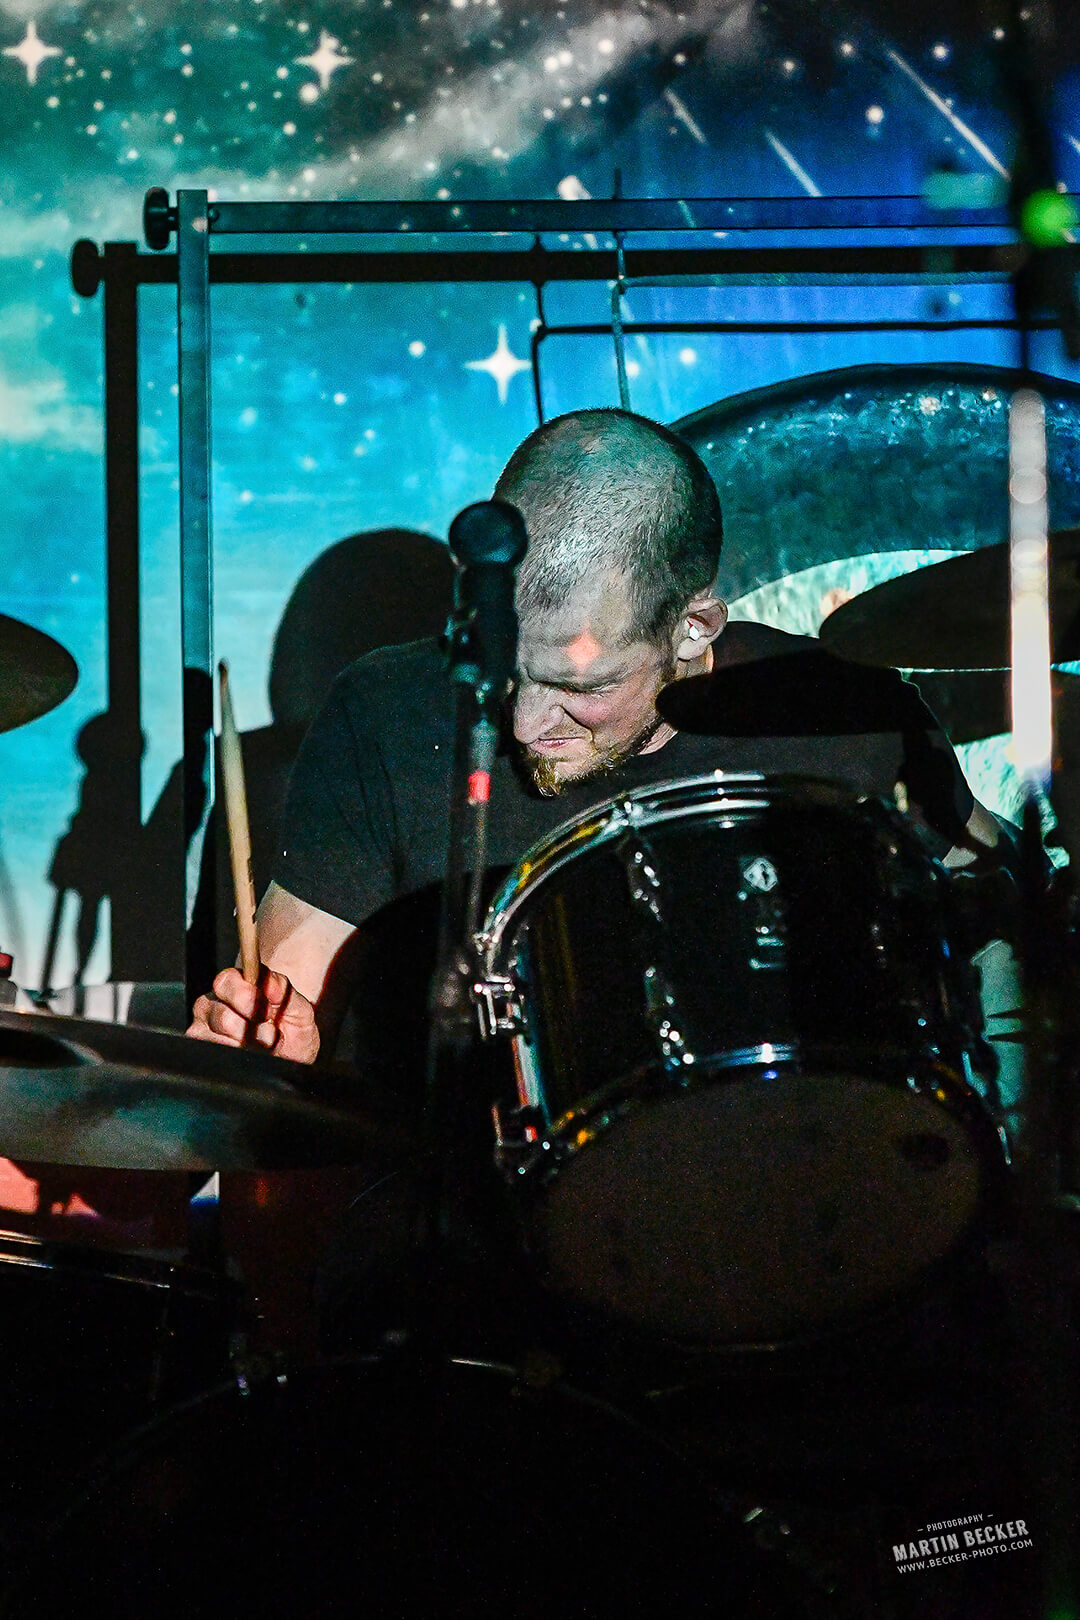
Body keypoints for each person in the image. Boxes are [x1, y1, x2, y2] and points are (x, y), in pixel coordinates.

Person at [187, 406, 1001, 1068]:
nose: (524, 724)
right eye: (507, 668)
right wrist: (273, 1048)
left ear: (692, 627)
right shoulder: (387, 712)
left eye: (581, 687)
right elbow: (284, 1013)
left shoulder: (844, 714)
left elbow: (999, 929)